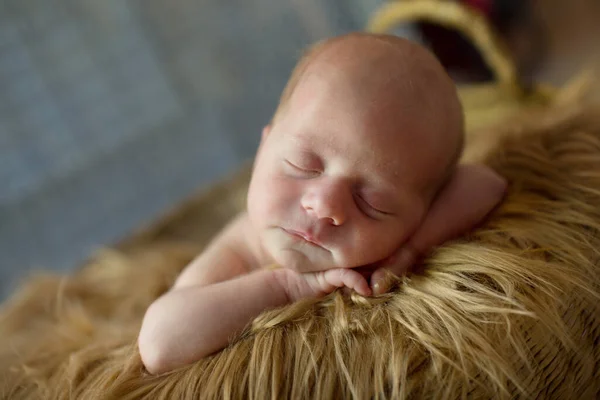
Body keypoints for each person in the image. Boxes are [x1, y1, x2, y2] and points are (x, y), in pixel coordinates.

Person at [138, 32, 507, 374]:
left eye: (371, 202)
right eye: (303, 165)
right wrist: (289, 287)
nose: (325, 204)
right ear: (264, 147)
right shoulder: (244, 246)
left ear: (418, 213)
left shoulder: (394, 244)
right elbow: (160, 342)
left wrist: (410, 249)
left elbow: (484, 183)